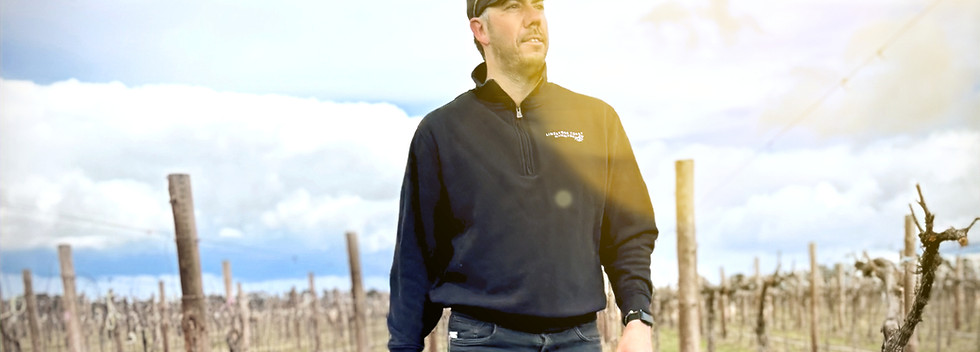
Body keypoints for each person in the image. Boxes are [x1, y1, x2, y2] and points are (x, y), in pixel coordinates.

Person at [387, 0, 658, 351]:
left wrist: (638, 318)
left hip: (578, 340)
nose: (533, 18)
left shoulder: (597, 120)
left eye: (538, 5)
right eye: (514, 6)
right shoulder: (441, 132)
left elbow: (629, 232)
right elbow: (415, 254)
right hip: (483, 341)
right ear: (480, 30)